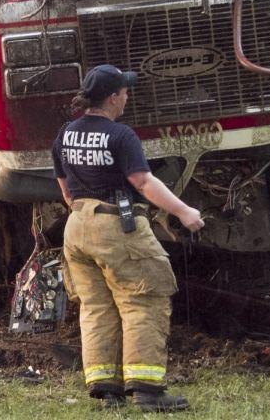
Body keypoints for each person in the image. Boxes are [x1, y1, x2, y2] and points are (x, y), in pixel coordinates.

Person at [52, 64, 205, 413]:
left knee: (96, 308)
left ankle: (106, 388)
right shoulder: (121, 136)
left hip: (77, 228)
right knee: (144, 300)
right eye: (124, 91)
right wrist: (184, 212)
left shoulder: (64, 135)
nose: (127, 96)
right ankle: (147, 391)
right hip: (116, 225)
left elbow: (65, 191)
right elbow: (143, 183)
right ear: (112, 98)